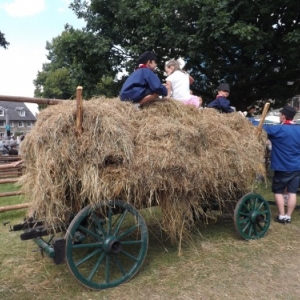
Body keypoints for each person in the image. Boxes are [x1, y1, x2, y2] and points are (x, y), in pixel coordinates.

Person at [259, 106, 300, 224]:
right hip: (297, 167)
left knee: (278, 191)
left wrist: (246, 119)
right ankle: (288, 216)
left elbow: (260, 126)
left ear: (283, 116)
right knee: (292, 192)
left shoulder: (278, 129)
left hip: (281, 167)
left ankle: (282, 215)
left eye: (279, 115)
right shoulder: (299, 129)